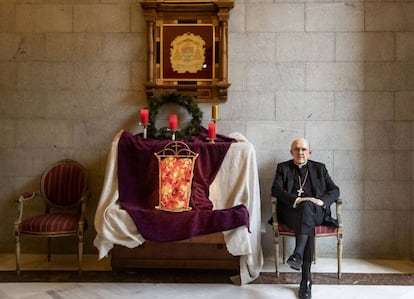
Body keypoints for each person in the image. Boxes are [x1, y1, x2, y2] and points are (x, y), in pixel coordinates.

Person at [271, 138, 340, 299]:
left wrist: (321, 201)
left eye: (303, 149)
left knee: (308, 208)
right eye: (296, 149)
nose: (300, 152)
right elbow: (276, 189)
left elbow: (335, 190)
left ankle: (297, 255)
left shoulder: (319, 168)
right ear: (291, 152)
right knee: (305, 213)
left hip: (317, 213)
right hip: (291, 213)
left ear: (310, 152)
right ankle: (305, 279)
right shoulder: (283, 168)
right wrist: (296, 200)